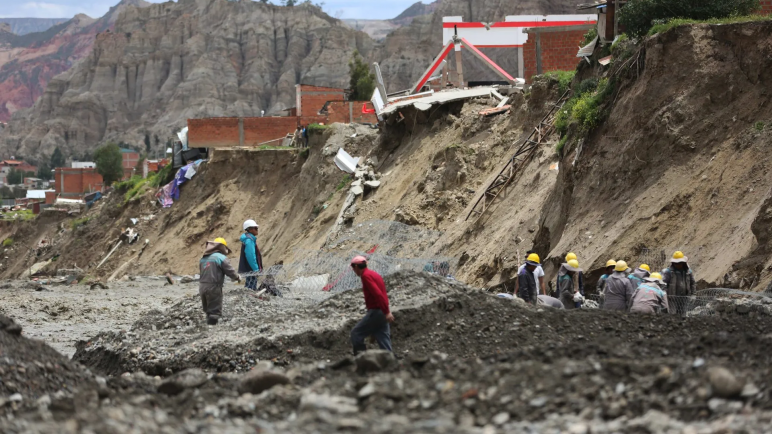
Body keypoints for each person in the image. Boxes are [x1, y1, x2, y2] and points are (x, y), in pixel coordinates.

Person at [350, 256, 394, 355]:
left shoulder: (365, 276)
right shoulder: (374, 274)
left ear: (356, 266)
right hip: (382, 311)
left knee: (356, 333)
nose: (353, 270)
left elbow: (378, 294)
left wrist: (386, 312)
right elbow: (383, 294)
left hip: (377, 311)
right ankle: (391, 363)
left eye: (353, 268)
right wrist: (386, 310)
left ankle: (361, 359)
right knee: (383, 338)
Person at [199, 238, 241, 325]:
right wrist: (237, 277)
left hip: (202, 286)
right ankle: (212, 332)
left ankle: (207, 327)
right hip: (214, 287)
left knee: (207, 310)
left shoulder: (203, 258)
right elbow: (230, 271)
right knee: (214, 311)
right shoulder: (221, 258)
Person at [661, 251, 696, 315]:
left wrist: (693, 295)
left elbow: (692, 283)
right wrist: (664, 297)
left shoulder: (688, 272)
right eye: (676, 263)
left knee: (683, 315)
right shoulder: (668, 272)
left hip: (684, 298)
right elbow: (663, 285)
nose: (678, 264)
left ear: (683, 262)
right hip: (671, 299)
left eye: (680, 263)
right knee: (672, 315)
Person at [239, 219, 263, 291]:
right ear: (250, 229)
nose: (257, 229)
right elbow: (251, 256)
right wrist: (256, 269)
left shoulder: (249, 239)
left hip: (250, 269)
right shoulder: (249, 240)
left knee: (250, 286)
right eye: (255, 228)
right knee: (251, 288)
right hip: (251, 270)